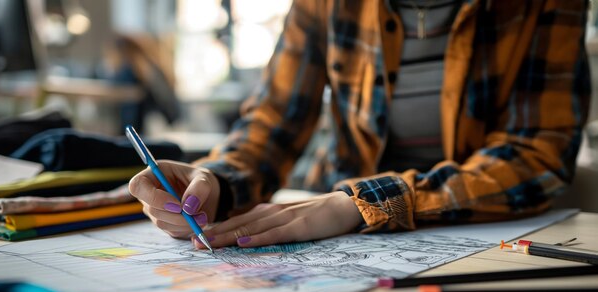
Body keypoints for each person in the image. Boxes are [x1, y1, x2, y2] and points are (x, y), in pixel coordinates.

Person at [129, 0, 591, 249]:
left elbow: (536, 155)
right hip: (335, 223)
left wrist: (364, 203)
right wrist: (218, 182)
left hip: (484, 227)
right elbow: (273, 125)